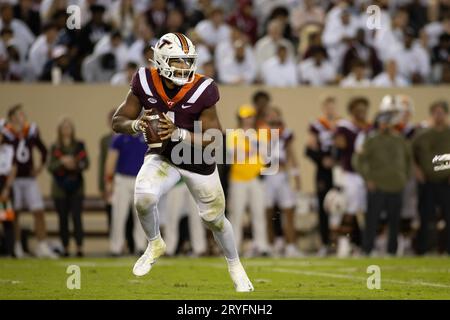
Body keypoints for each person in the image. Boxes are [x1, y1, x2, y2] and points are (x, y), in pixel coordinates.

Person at [111, 32, 254, 292]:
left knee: (215, 219)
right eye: (178, 61)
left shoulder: (203, 88)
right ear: (163, 61)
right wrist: (136, 124)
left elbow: (214, 138)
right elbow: (118, 120)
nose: (185, 67)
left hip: (196, 158)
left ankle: (235, 265)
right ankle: (155, 243)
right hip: (164, 155)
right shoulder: (144, 80)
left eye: (188, 61)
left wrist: (178, 133)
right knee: (143, 196)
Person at [353, 97, 412, 256]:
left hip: (396, 185)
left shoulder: (399, 139)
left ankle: (392, 250)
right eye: (383, 121)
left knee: (395, 221)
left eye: (388, 121)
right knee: (372, 220)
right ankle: (367, 249)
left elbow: (408, 160)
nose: (385, 124)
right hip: (377, 185)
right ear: (378, 122)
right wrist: (368, 179)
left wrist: (404, 178)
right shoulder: (371, 139)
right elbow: (358, 160)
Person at [3, 104, 56, 258]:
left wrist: (39, 168)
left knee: (38, 211)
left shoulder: (30, 132)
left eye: (22, 114)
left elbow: (44, 151)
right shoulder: (6, 134)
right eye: (18, 114)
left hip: (29, 178)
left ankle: (42, 245)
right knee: (15, 213)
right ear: (12, 117)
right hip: (13, 180)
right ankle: (17, 246)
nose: (22, 116)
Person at [227, 105, 270, 257]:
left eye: (250, 116)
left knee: (258, 214)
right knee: (236, 215)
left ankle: (262, 246)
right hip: (238, 178)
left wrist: (251, 147)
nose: (248, 119)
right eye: (245, 116)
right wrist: (252, 148)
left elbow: (265, 155)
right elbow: (234, 154)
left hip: (255, 178)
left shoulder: (260, 133)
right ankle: (234, 247)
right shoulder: (234, 134)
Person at [334, 97, 371, 257]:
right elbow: (340, 144)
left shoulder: (370, 128)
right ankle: (344, 243)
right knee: (348, 209)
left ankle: (365, 243)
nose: (361, 112)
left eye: (364, 109)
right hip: (350, 173)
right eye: (358, 109)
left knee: (365, 210)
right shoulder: (344, 126)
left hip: (366, 174)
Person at [412, 100, 450, 255]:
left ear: (446, 114)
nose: (438, 115)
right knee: (426, 216)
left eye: (441, 112)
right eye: (435, 112)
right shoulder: (422, 135)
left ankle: (447, 249)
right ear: (431, 114)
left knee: (449, 215)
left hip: (446, 182)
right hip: (427, 181)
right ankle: (423, 249)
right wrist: (417, 171)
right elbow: (411, 155)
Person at [47, 118, 89, 257]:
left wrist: (75, 164)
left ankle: (79, 247)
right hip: (60, 189)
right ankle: (65, 247)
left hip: (77, 187)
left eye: (68, 127)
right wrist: (61, 162)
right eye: (63, 127)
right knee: (63, 218)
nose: (66, 130)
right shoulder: (55, 147)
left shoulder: (79, 145)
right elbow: (50, 167)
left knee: (77, 217)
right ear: (60, 130)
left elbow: (85, 163)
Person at [264, 107, 302, 257]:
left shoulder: (286, 133)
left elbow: (292, 154)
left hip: (283, 175)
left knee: (289, 211)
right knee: (268, 212)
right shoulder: (261, 133)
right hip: (267, 176)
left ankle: (291, 245)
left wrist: (297, 176)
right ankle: (271, 245)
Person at [104, 132, 148, 256]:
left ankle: (140, 246)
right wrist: (108, 182)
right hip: (122, 180)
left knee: (141, 216)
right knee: (119, 215)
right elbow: (111, 160)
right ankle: (116, 247)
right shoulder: (120, 137)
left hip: (141, 180)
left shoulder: (146, 136)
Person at [305, 96, 339, 256]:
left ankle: (343, 242)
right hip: (324, 171)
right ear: (324, 108)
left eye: (333, 106)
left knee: (341, 206)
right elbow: (309, 149)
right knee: (324, 206)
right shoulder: (317, 125)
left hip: (339, 170)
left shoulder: (341, 124)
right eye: (328, 107)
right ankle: (326, 242)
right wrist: (322, 159)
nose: (331, 110)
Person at [0, 119, 16, 257]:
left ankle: (10, 250)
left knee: (7, 219)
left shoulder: (9, 150)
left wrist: (7, 188)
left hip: (4, 185)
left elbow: (13, 168)